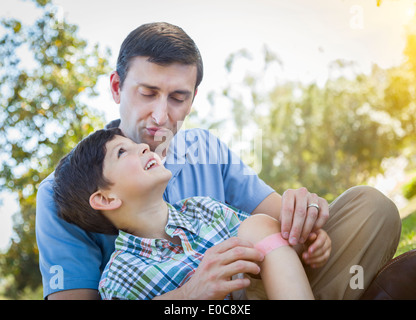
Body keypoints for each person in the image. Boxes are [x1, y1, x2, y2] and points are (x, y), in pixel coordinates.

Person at [36, 22, 401, 300]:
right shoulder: (62, 192)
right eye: (147, 93)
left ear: (193, 98)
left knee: (371, 208)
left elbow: (278, 226)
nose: (160, 116)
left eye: (178, 98)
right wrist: (188, 295)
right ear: (116, 87)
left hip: (263, 286)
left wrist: (306, 223)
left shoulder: (204, 149)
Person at [53, 128, 331, 299]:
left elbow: (272, 246)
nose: (144, 146)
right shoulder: (120, 275)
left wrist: (303, 241)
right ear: (105, 198)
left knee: (260, 225)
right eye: (122, 151)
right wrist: (188, 295)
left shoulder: (204, 208)